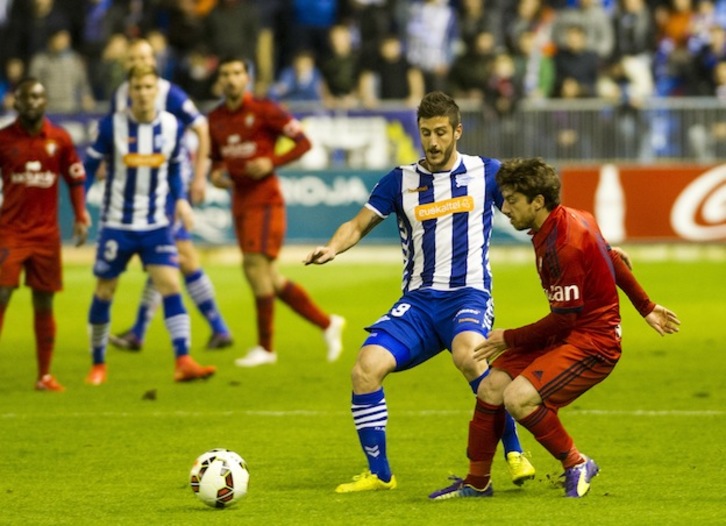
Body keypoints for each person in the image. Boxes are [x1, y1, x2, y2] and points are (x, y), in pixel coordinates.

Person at [304, 91, 535, 493]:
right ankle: (380, 474)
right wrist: (332, 247)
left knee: (469, 353)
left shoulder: (485, 173)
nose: (433, 142)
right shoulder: (400, 180)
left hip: (468, 295)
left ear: (457, 131)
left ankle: (514, 451)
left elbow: (531, 212)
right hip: (418, 303)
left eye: (441, 132)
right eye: (426, 132)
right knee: (365, 368)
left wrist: (582, 243)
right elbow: (357, 224)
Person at [428, 157, 681, 499]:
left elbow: (565, 318)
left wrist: (509, 338)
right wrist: (647, 308)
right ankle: (477, 481)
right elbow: (612, 258)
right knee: (490, 388)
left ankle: (577, 463)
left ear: (538, 202)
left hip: (595, 342)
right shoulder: (567, 221)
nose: (505, 208)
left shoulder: (565, 244)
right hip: (566, 333)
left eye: (513, 200)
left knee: (518, 398)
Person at [83, 64, 217, 385]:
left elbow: (173, 168)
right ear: (129, 91)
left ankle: (183, 360)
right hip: (117, 223)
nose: (143, 93)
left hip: (156, 223)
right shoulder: (110, 126)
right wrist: (80, 208)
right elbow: (88, 167)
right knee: (105, 290)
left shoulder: (171, 126)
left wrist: (181, 200)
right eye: (137, 88)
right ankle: (98, 364)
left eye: (148, 87)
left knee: (170, 285)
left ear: (157, 90)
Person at [208, 56, 345, 367]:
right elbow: (216, 158)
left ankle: (266, 348)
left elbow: (303, 142)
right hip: (239, 200)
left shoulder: (264, 110)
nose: (231, 79)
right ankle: (327, 324)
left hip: (265, 200)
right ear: (220, 81)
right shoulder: (215, 118)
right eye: (225, 74)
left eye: (237, 73)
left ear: (247, 78)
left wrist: (273, 162)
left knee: (255, 268)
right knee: (267, 275)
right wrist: (216, 174)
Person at [106, 38, 233, 352]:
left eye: (146, 55)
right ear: (126, 63)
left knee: (178, 256)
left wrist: (199, 176)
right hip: (141, 191)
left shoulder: (168, 93)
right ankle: (142, 330)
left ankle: (216, 328)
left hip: (168, 187)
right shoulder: (121, 96)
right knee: (164, 259)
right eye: (135, 56)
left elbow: (202, 128)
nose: (140, 60)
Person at [0, 77, 89, 392]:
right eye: (27, 97)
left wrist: (80, 214)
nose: (33, 102)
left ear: (45, 101)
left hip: (46, 236)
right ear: (16, 103)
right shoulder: (3, 139)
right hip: (9, 233)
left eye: (38, 97)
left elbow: (75, 176)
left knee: (44, 303)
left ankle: (45, 376)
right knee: (1, 296)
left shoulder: (60, 139)